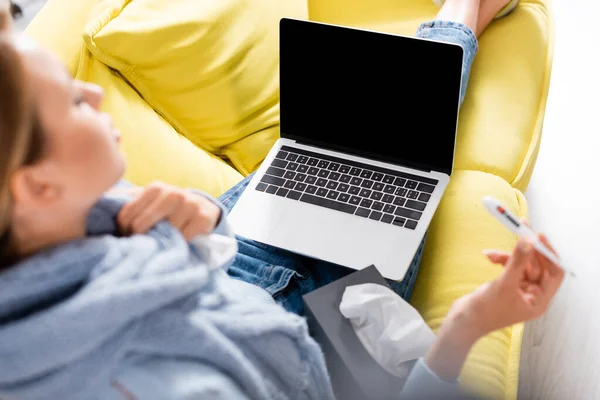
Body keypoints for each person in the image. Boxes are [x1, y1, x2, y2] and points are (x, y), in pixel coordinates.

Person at [0, 0, 564, 398]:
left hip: (224, 270)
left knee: (342, 138)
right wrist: (467, 324)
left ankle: (459, 18)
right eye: (73, 101)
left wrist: (204, 217)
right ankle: (463, 13)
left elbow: (175, 252)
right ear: (35, 186)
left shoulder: (45, 223)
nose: (92, 93)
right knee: (389, 148)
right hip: (302, 327)